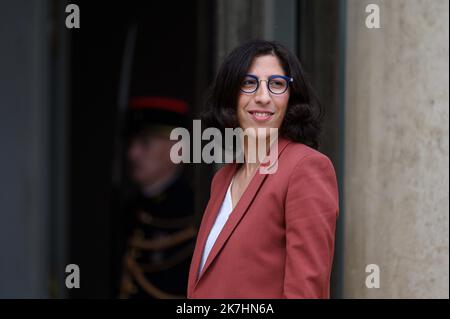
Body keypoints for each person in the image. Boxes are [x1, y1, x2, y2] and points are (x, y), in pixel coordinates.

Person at [187, 40, 339, 298]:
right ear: (230, 95)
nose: (263, 97)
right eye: (249, 83)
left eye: (277, 84)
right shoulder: (223, 179)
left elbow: (306, 292)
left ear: (291, 98)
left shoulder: (306, 168)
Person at [117, 96, 196, 299]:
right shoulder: (129, 210)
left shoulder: (193, 212)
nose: (132, 153)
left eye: (145, 143)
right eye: (132, 143)